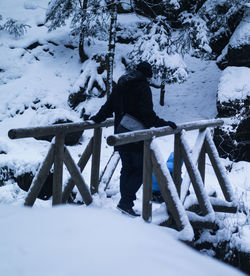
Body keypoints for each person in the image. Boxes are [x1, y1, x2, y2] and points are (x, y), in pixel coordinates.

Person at [90, 61, 177, 217]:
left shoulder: (121, 83)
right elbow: (147, 114)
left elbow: (108, 106)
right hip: (137, 136)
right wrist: (164, 124)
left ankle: (126, 204)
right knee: (141, 169)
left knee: (127, 168)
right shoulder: (143, 87)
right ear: (147, 75)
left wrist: (97, 119)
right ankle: (125, 203)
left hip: (120, 134)